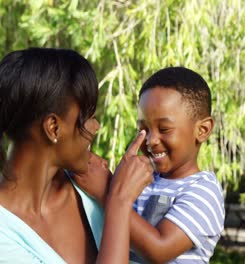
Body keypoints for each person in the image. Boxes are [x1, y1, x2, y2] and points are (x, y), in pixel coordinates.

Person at [0, 48, 153, 263]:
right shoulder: (4, 237)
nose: (96, 126)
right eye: (87, 116)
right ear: (53, 127)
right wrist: (118, 202)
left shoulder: (90, 185)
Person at [76, 66, 225, 263]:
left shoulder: (203, 191)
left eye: (164, 129)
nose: (151, 139)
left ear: (203, 130)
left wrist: (107, 193)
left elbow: (160, 249)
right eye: (144, 129)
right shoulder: (141, 181)